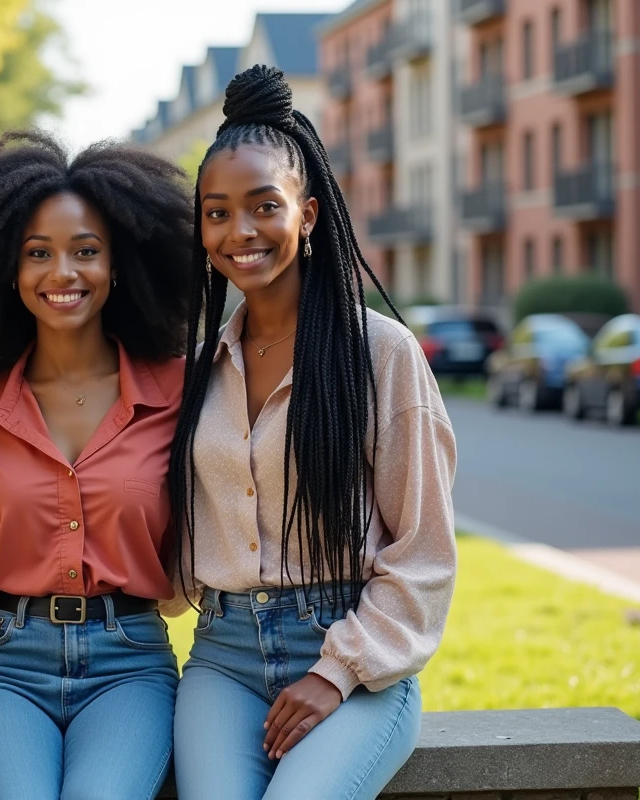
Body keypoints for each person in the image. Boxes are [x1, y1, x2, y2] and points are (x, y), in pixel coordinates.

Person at [168, 65, 458, 799]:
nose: (240, 232)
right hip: (223, 656)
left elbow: (423, 553)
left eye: (265, 205)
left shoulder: (380, 353)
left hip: (356, 656)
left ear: (309, 213)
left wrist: (336, 673)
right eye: (217, 212)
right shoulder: (199, 367)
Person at [0, 135, 192, 800]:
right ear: (9, 271)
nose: (62, 272)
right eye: (37, 253)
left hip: (129, 664)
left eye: (85, 250)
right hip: (4, 665)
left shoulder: (179, 392)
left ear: (118, 263)